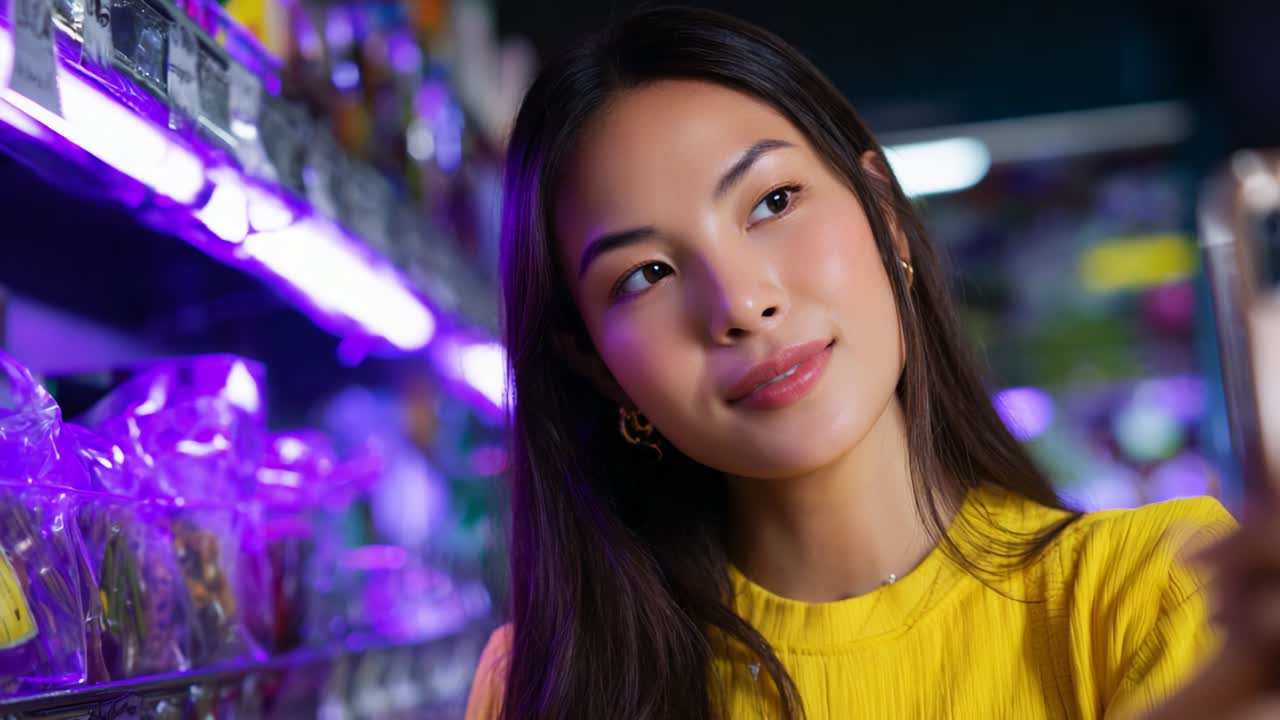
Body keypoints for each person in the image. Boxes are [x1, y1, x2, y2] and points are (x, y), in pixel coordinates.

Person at [466, 6, 1280, 719]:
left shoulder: (1153, 592)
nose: (742, 304)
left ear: (885, 217)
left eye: (772, 203)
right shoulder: (541, 685)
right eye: (645, 275)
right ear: (599, 367)